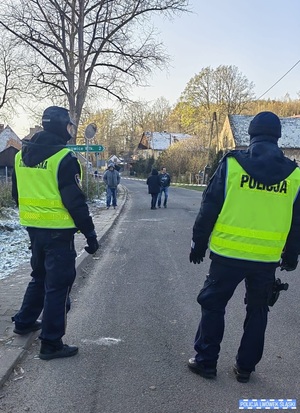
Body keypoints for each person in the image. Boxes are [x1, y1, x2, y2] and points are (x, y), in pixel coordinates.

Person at [188, 111, 300, 383]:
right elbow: (297, 221)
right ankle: (245, 368)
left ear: (250, 134)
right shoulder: (295, 175)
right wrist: (292, 255)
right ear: (278, 137)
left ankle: (206, 362)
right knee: (258, 310)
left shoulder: (232, 165)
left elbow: (208, 208)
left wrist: (198, 243)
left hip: (227, 256)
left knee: (213, 305)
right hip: (266, 259)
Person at [11, 106, 99, 360]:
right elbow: (75, 202)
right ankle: (51, 343)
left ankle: (24, 321)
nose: (70, 130)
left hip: (33, 229)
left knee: (39, 276)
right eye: (69, 125)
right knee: (58, 287)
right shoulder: (64, 158)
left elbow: (17, 195)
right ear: (62, 126)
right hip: (58, 234)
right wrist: (91, 235)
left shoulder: (20, 155)